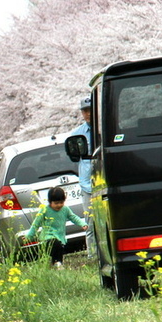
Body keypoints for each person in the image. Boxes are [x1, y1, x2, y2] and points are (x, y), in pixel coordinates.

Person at [25, 186, 87, 269]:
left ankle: (58, 264)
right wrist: (29, 236)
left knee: (59, 249)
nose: (59, 205)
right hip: (47, 237)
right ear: (50, 202)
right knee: (55, 244)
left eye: (61, 202)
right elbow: (36, 223)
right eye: (56, 203)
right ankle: (56, 263)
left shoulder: (65, 209)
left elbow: (73, 217)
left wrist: (82, 224)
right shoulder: (45, 210)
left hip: (60, 236)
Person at [71, 95, 94, 256]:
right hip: (87, 185)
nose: (88, 114)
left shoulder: (106, 128)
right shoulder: (77, 134)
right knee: (90, 223)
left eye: (90, 110)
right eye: (85, 111)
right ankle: (93, 255)